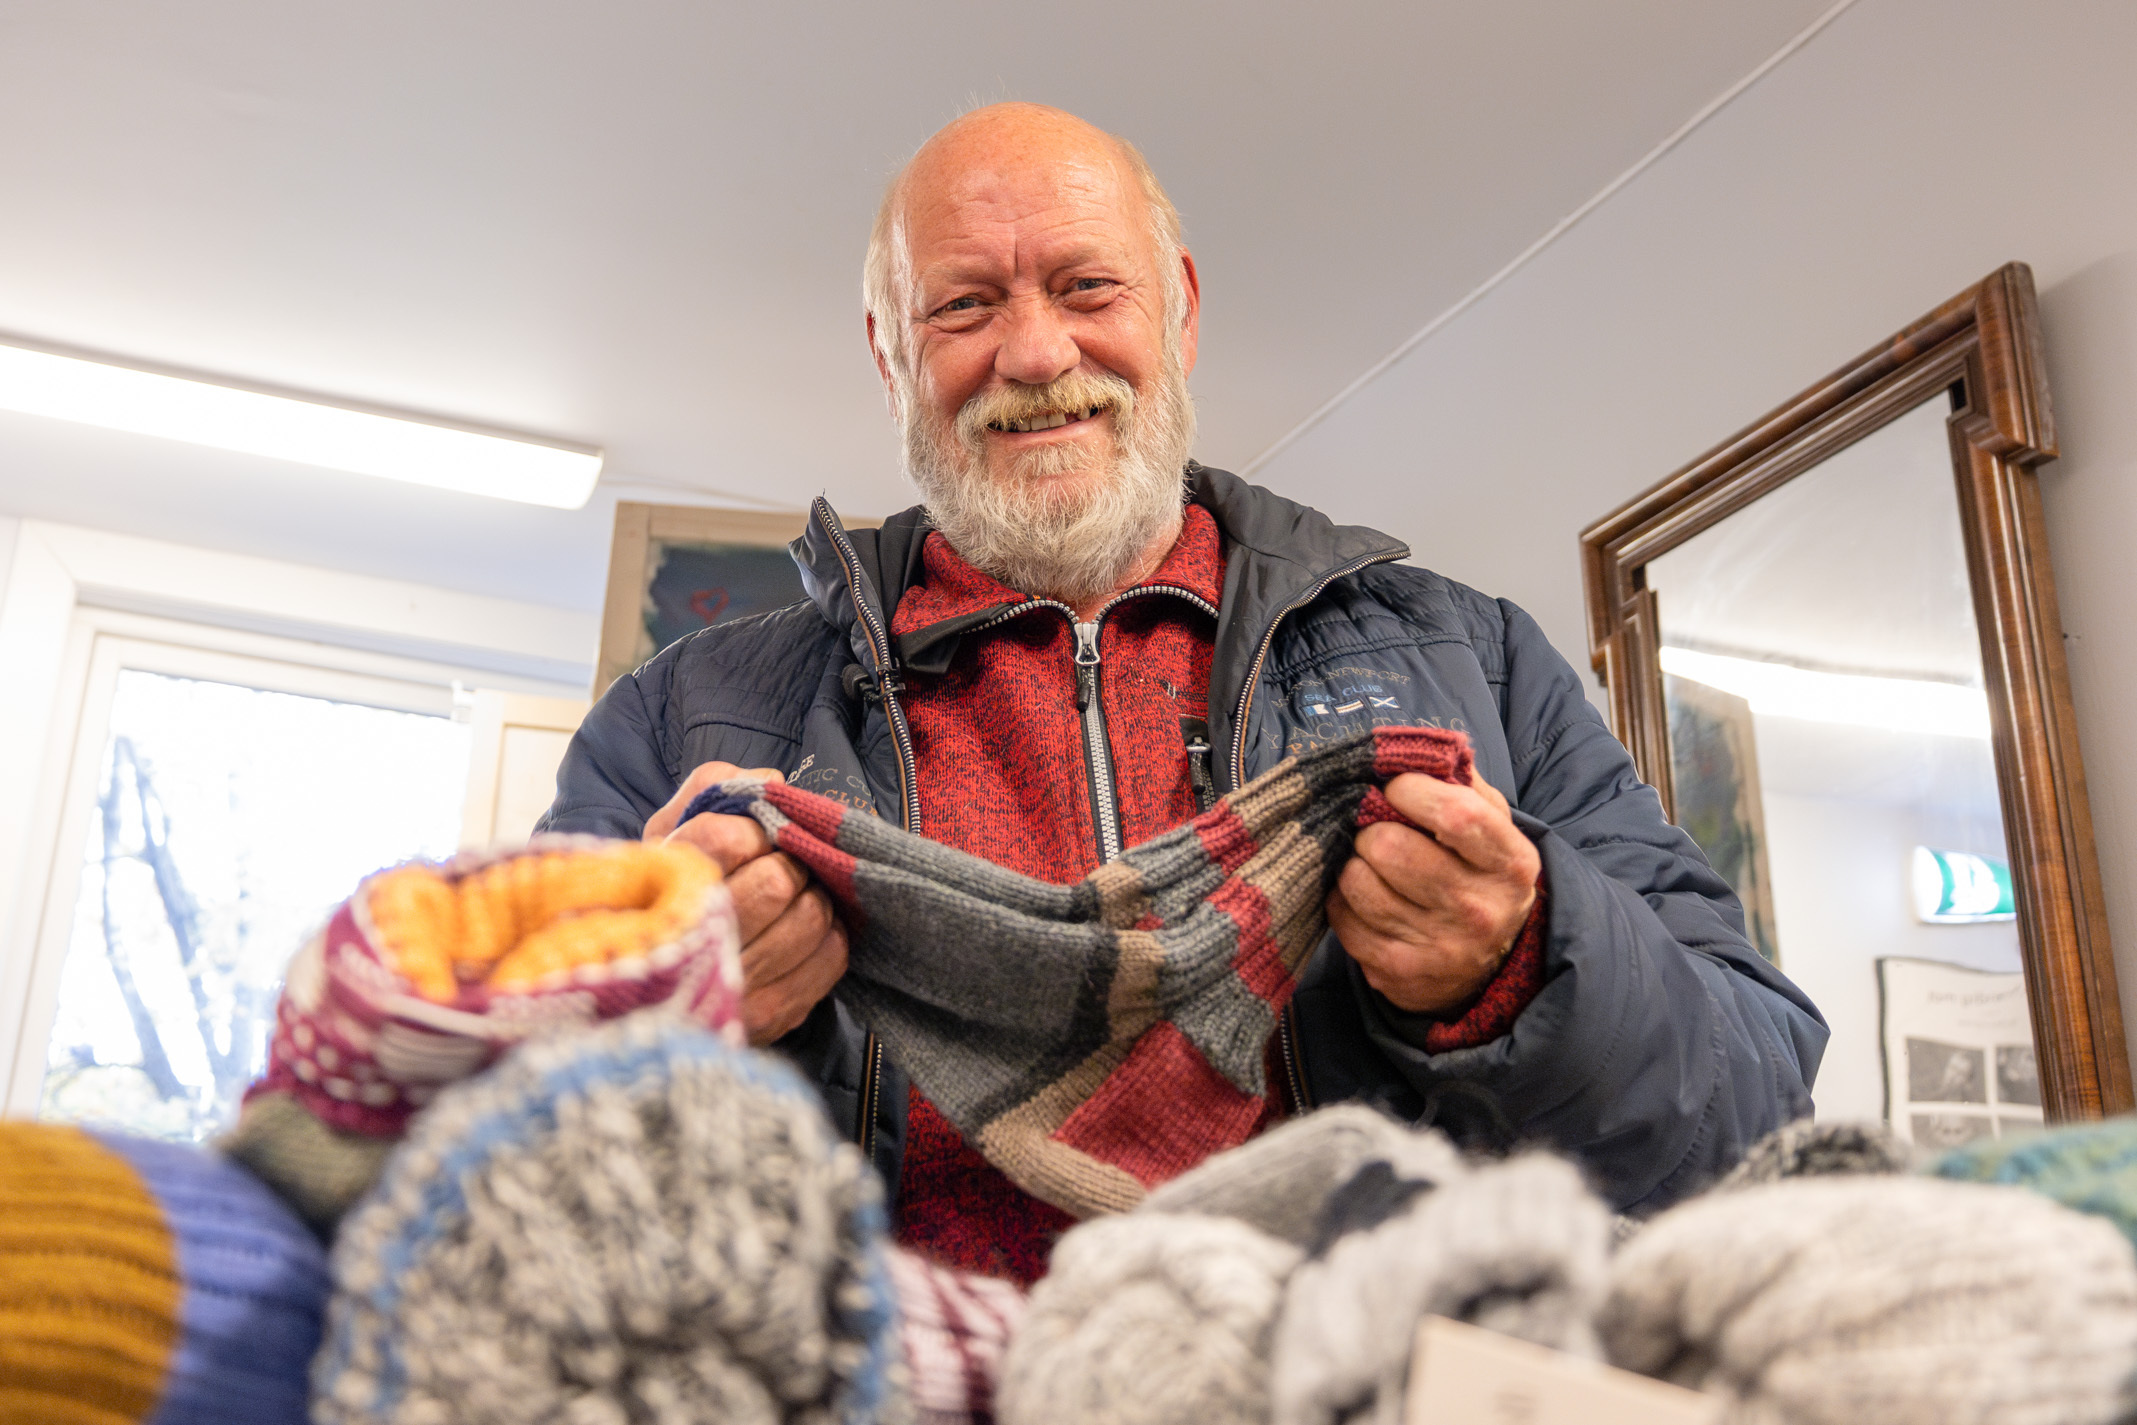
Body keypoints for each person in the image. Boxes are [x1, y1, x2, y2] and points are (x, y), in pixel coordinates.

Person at [540, 102, 1825, 1283]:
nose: (1035, 352)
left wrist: (1522, 966)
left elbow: (1751, 1111)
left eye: (1088, 287)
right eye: (963, 306)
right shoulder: (684, 721)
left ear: (1182, 311)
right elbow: (501, 1167)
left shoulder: (1471, 661)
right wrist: (665, 1016)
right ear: (890, 356)